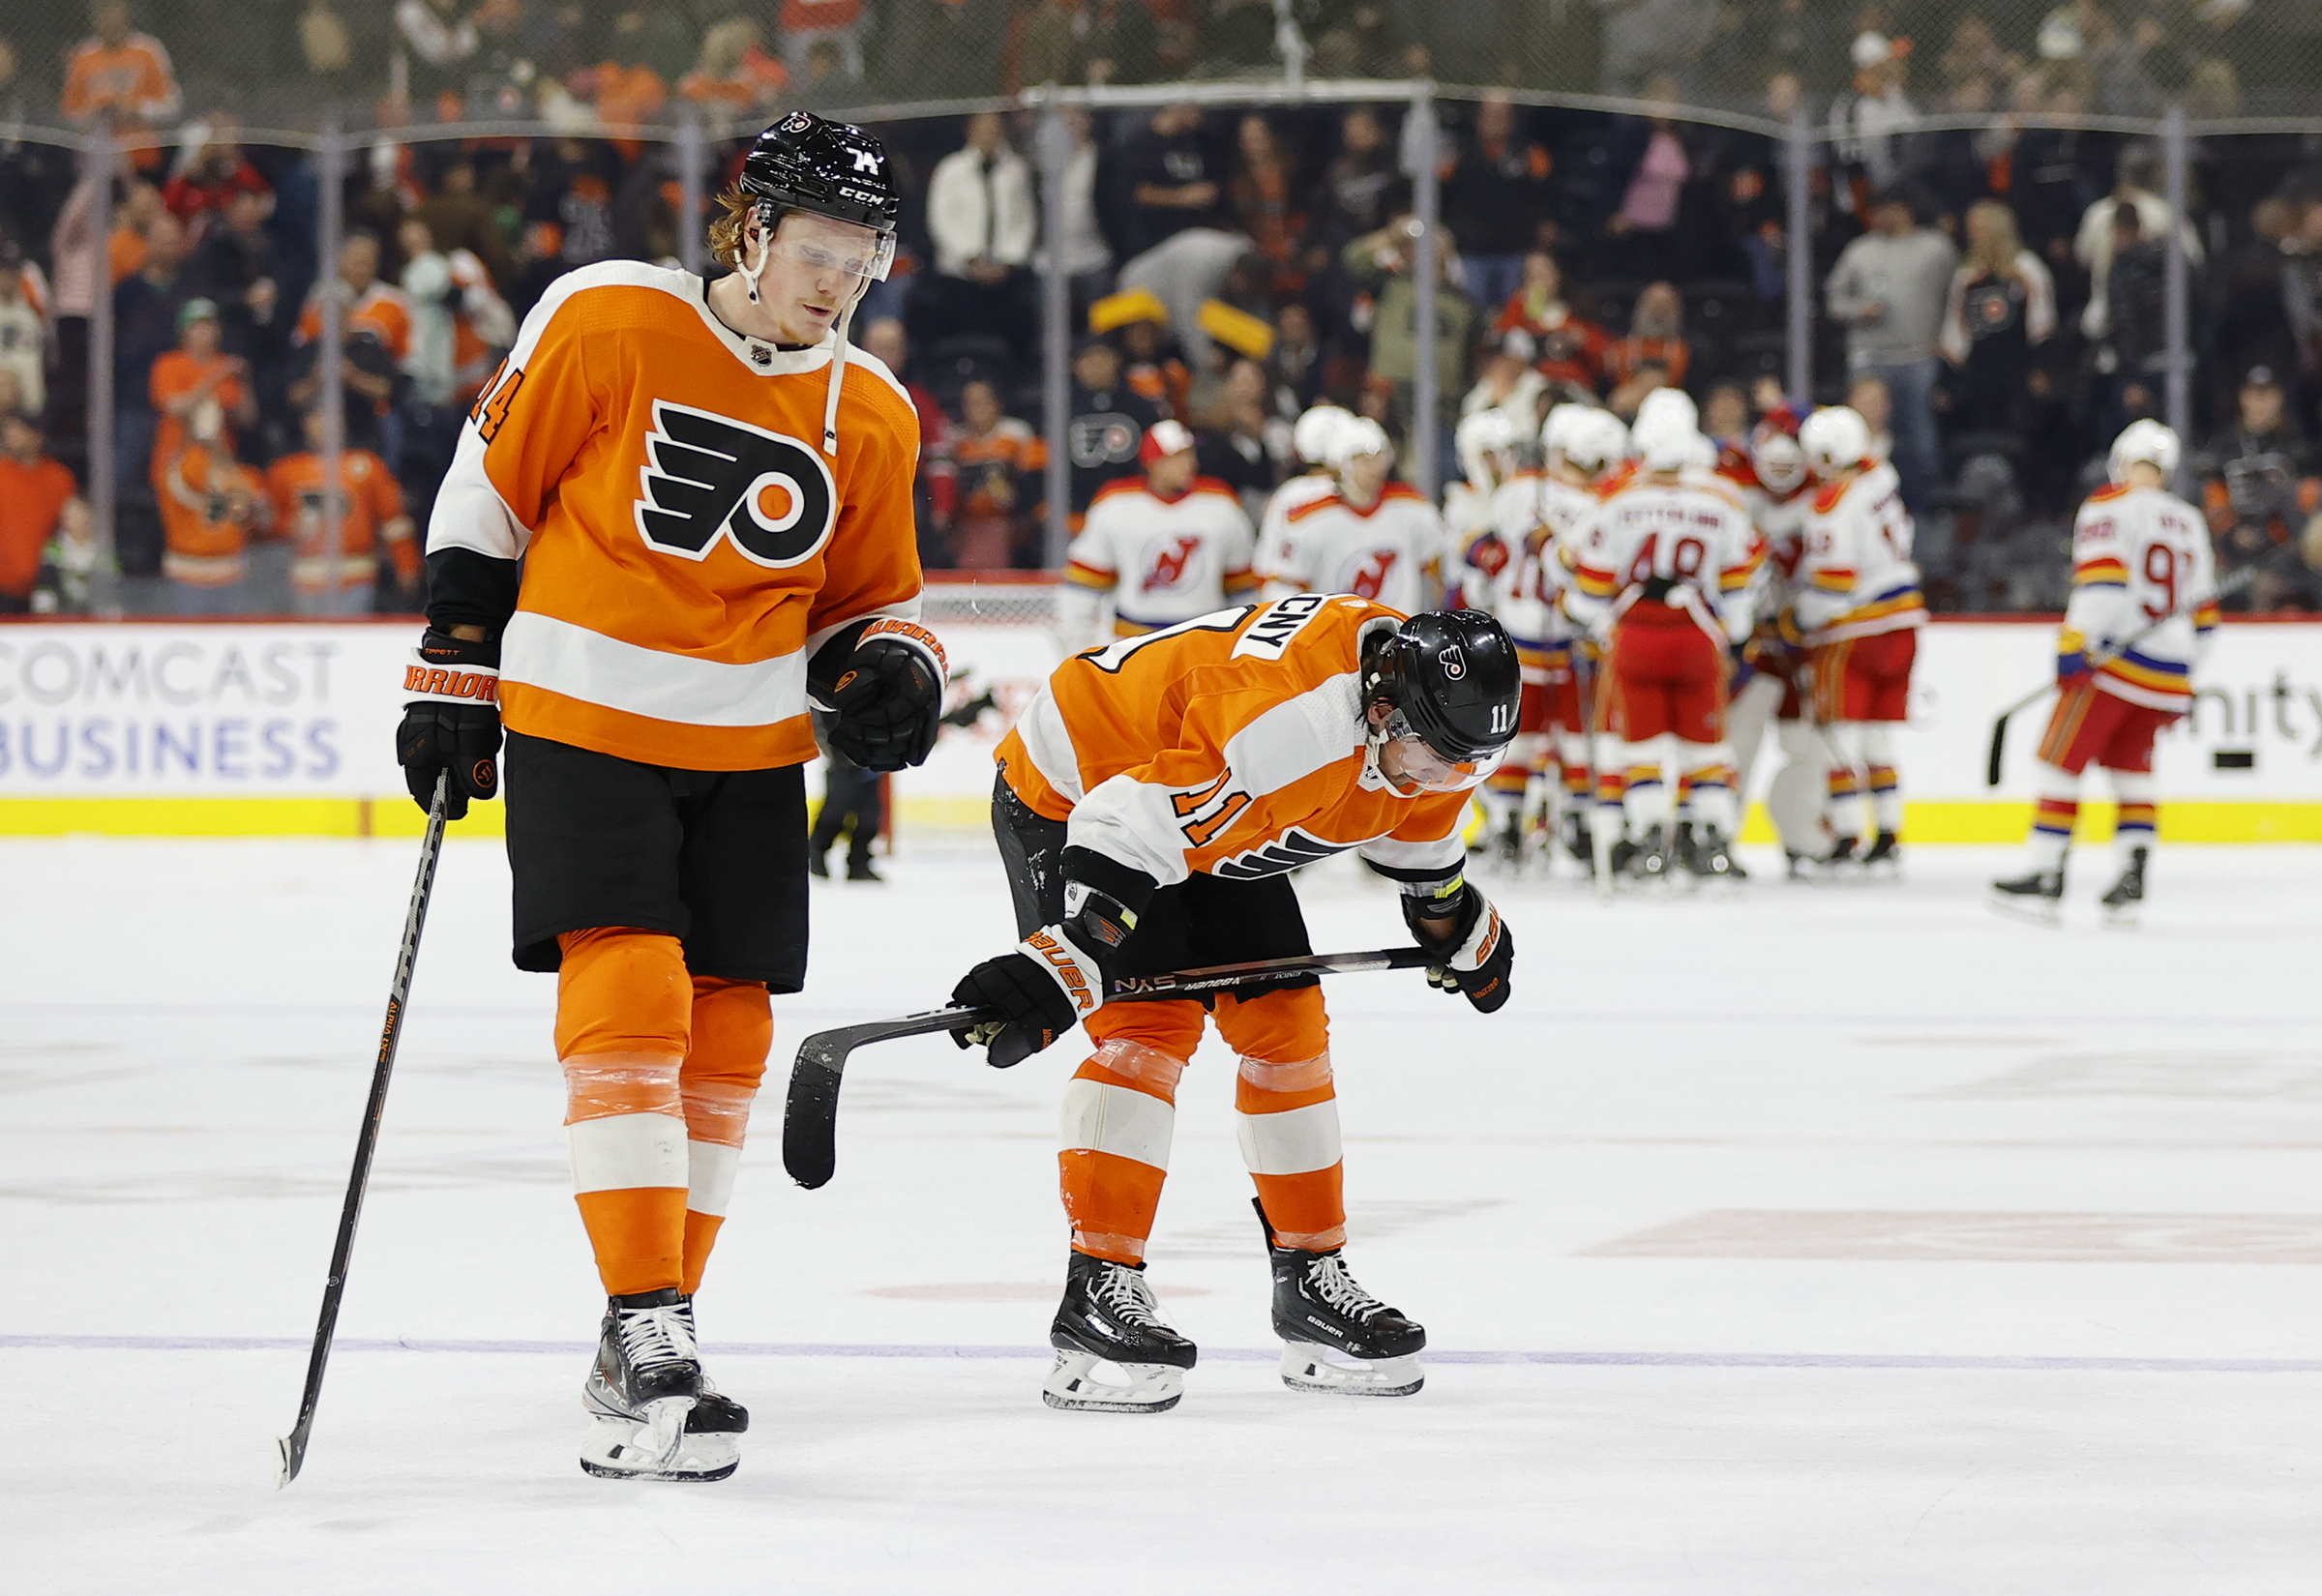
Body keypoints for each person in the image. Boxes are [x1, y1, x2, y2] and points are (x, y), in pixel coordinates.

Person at [395, 111, 941, 1484]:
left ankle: (654, 1320)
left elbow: (869, 598)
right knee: (631, 985)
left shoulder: (869, 408)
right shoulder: (606, 317)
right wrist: (454, 666)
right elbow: (490, 490)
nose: (837, 282)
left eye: (863, 258)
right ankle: (648, 1317)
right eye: (818, 248)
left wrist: (892, 669)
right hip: (584, 710)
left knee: (731, 1032)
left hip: (752, 747)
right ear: (748, 228)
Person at [951, 601, 1521, 1411]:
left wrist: (1453, 918)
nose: (1449, 776)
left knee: (1285, 1019)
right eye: (1433, 757)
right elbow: (1128, 826)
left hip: (1199, 787)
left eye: (1468, 761)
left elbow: (1417, 838)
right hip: (1087, 784)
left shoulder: (1436, 727)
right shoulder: (1291, 728)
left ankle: (1311, 1281)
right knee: (1147, 1027)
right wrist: (1067, 957)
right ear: (1382, 712)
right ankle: (1096, 1290)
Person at [1993, 422, 2216, 925]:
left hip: (2115, 667)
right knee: (2131, 769)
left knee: (2059, 762)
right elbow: (2205, 615)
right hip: (2169, 672)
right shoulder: (2188, 520)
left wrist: (2075, 644)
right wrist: (2184, 668)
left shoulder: (2107, 505)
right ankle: (2133, 875)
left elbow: (2103, 586)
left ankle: (2046, 872)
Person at [1564, 401, 1759, 882]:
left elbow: (1587, 590)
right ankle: (1712, 842)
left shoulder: (1616, 499)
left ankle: (1651, 841)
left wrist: (1600, 626)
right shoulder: (1724, 499)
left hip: (1635, 635)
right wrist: (1732, 636)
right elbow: (1740, 585)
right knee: (1707, 747)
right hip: (1696, 636)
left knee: (1642, 747)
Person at [1794, 404, 1925, 872]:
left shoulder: (1831, 506)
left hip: (1855, 629)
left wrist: (1799, 618)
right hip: (1905, 624)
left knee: (1839, 736)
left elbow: (1832, 587)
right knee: (1878, 738)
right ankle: (1888, 835)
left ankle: (1848, 836)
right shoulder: (1882, 480)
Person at [1511, 404, 1629, 868]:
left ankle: (1510, 825)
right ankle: (1577, 825)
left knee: (1523, 735)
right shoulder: (1603, 505)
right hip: (1570, 632)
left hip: (1521, 627)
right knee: (1576, 736)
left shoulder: (1521, 490)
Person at [1717, 406, 1829, 872]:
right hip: (1754, 644)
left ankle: (1802, 839)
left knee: (1807, 748)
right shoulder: (1730, 489)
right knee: (1737, 744)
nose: (1781, 475)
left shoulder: (1826, 491)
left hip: (1803, 643)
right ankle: (1720, 836)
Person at [1057, 418, 1257, 654]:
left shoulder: (1221, 504)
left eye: (1190, 454)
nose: (1190, 464)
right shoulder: (1115, 504)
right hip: (1134, 646)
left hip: (1205, 644)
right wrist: (1078, 651)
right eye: (1178, 456)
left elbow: (1243, 591)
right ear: (1153, 462)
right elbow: (1083, 587)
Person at [1824, 190, 1956, 517]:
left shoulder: (1935, 248)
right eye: (1877, 210)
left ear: (1905, 210)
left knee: (1920, 439)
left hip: (1918, 355)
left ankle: (1924, 511)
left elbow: (1955, 295)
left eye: (1888, 210)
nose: (1881, 217)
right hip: (1870, 356)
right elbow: (1833, 301)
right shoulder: (1859, 250)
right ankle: (1862, 505)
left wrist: (1945, 339)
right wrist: (1859, 309)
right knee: (1864, 436)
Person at [1259, 418, 1445, 616]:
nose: (1374, 467)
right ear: (1341, 464)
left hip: (1400, 634)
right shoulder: (1308, 519)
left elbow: (1436, 579)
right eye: (1362, 459)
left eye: (1378, 457)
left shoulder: (1414, 507)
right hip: (1333, 639)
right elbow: (1283, 589)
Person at [266, 403, 419, 615]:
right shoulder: (285, 471)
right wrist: (288, 526)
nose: (325, 425)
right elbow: (267, 524)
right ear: (305, 424)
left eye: (332, 418)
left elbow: (394, 521)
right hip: (305, 576)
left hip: (356, 575)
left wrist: (407, 565)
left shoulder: (367, 466)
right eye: (317, 418)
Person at [915, 112, 1038, 358]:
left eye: (994, 130)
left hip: (1006, 275)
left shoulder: (1016, 170)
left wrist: (1008, 260)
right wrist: (971, 258)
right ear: (970, 131)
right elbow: (941, 219)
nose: (988, 136)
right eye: (983, 130)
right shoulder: (951, 169)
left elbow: (1024, 219)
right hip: (960, 275)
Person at [2198, 367, 2318, 611]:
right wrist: (2233, 533)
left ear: (2279, 398)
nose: (2261, 403)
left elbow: (2309, 510)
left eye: (2268, 395)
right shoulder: (2225, 447)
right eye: (2255, 395)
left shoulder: (2299, 446)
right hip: (2235, 551)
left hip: (2290, 552)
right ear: (2244, 398)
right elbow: (2212, 502)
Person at [1940, 200, 2057, 438]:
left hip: (2019, 369)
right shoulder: (1966, 276)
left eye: (1979, 229)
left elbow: (2042, 323)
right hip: (1979, 372)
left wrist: (2041, 367)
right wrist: (1948, 381)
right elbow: (1955, 331)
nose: (1974, 235)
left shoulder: (2027, 269)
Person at [157, 397, 267, 613]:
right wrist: (199, 433)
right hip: (187, 574)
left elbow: (258, 512)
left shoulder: (242, 475)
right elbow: (188, 477)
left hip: (230, 573)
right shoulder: (180, 468)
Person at [0, 412, 85, 614]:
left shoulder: (59, 479)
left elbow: (71, 528)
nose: (11, 436)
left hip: (44, 585)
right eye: (8, 431)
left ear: (37, 436)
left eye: (18, 431)